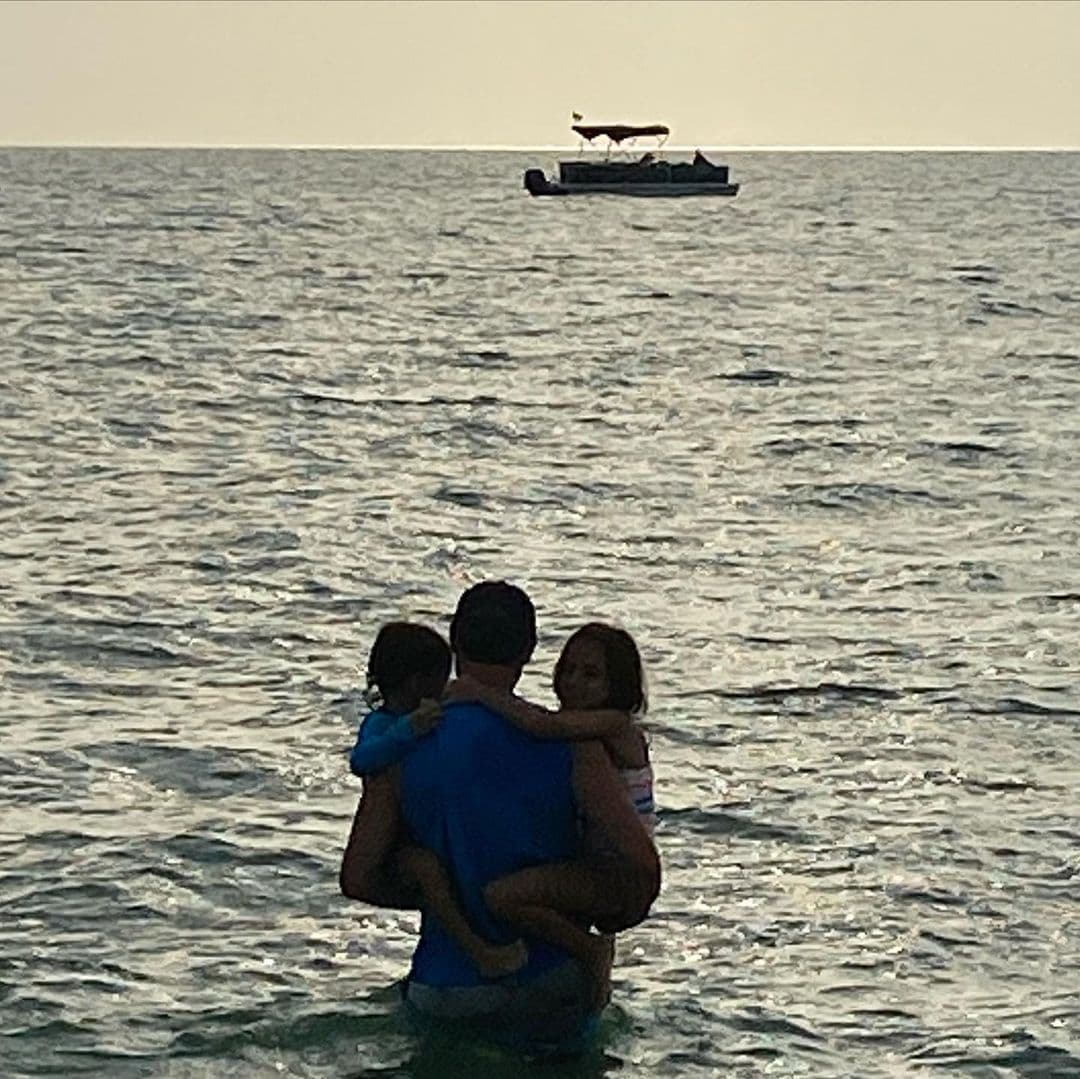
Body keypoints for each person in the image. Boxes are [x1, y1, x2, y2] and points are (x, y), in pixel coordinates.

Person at [340, 582, 660, 1054]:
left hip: (443, 992)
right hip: (549, 984)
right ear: (529, 651)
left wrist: (441, 893)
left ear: (455, 643)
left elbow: (359, 877)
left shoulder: (403, 744)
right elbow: (639, 863)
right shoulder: (574, 747)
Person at [443, 623, 655, 999]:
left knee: (502, 897)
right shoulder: (579, 734)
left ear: (618, 686)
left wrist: (479, 693)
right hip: (594, 865)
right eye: (568, 669)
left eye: (591, 675)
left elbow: (541, 724)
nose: (574, 681)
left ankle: (590, 951)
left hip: (617, 873)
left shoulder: (616, 725)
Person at [347, 621, 528, 978]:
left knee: (440, 875)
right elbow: (362, 760)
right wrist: (408, 731)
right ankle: (480, 952)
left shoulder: (437, 712)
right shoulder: (382, 724)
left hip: (424, 836)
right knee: (426, 870)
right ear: (416, 683)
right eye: (440, 678)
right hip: (400, 850)